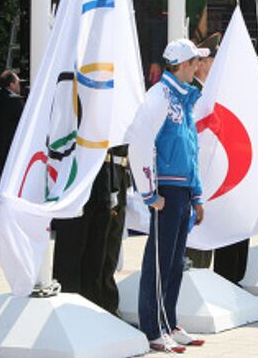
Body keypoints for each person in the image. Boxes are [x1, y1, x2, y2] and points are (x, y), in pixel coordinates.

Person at [126, 38, 208, 353]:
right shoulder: (159, 96)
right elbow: (141, 144)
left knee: (174, 262)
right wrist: (149, 193)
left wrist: (197, 195)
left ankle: (169, 322)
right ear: (183, 64)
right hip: (165, 189)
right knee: (159, 261)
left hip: (182, 189)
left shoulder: (184, 99)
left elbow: (191, 151)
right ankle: (152, 328)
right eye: (195, 62)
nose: (199, 66)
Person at [53, 146, 130, 314]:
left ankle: (103, 305)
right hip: (82, 169)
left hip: (113, 168)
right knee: (76, 247)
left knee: (106, 247)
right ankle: (71, 308)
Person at [185, 33, 220, 269]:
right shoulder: (192, 92)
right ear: (203, 63)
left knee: (206, 232)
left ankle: (202, 272)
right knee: (193, 234)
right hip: (193, 169)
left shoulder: (209, 92)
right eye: (214, 59)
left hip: (209, 171)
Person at [0, 69, 25, 187]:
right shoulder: (15, 101)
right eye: (18, 83)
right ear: (12, 84)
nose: (19, 86)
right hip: (10, 150)